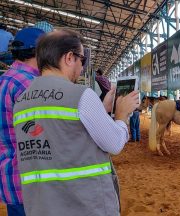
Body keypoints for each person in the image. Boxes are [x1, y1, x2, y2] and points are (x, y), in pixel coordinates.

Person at [13, 29, 139, 216]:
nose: (81, 67)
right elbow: (114, 143)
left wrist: (100, 109)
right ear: (69, 58)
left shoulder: (21, 102)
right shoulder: (81, 95)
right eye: (82, 60)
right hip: (85, 205)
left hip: (41, 207)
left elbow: (61, 137)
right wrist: (121, 115)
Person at [0, 27, 45, 216]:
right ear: (40, 52)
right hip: (31, 185)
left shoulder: (5, 79)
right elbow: (39, 133)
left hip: (11, 180)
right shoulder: (30, 84)